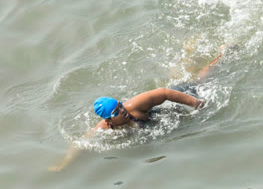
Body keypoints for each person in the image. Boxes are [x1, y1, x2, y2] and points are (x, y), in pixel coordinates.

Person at [48, 44, 225, 172]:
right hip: (161, 111)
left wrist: (196, 103)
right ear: (108, 120)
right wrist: (63, 164)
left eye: (119, 105)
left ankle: (223, 53)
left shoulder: (134, 106)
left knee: (196, 81)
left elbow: (164, 92)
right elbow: (80, 143)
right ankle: (188, 51)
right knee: (178, 78)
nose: (122, 110)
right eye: (116, 112)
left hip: (174, 97)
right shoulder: (103, 127)